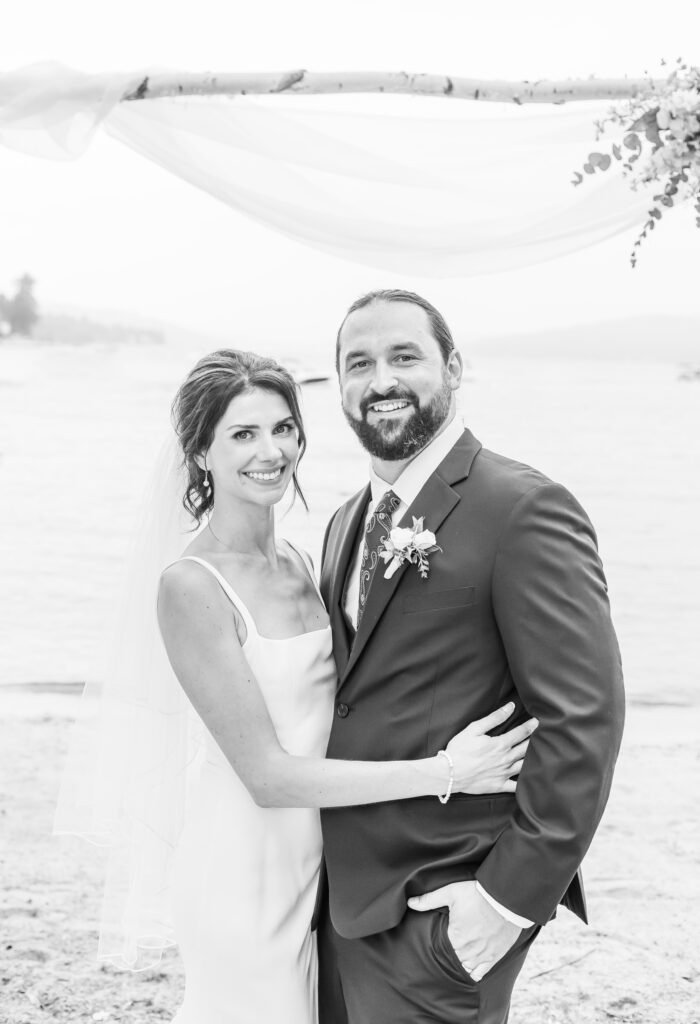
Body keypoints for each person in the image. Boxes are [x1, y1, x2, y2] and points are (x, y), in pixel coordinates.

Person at [155, 348, 536, 1024]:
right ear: (200, 453)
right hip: (243, 870)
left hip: (324, 868)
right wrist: (446, 771)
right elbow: (269, 777)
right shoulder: (191, 586)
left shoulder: (305, 559)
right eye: (242, 434)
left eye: (283, 428)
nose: (271, 451)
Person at [317, 289, 626, 1024]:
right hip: (332, 902)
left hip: (443, 907)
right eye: (358, 363)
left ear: (453, 368)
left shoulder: (521, 507)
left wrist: (504, 903)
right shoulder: (341, 524)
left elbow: (584, 718)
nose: (380, 379)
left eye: (404, 356)